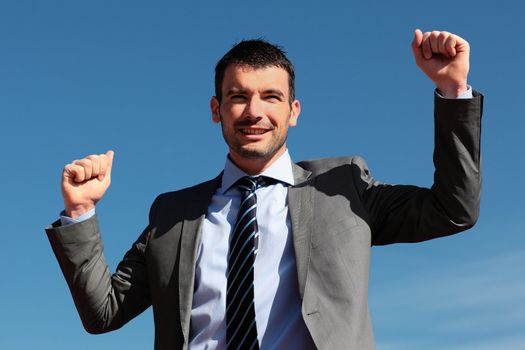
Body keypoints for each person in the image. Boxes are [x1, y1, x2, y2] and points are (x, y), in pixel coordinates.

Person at [46, 29, 483, 350]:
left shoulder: (345, 186)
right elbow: (104, 312)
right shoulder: (173, 214)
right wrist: (80, 213)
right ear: (217, 110)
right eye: (238, 97)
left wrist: (451, 90)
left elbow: (453, 210)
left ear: (293, 111)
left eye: (270, 97)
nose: (253, 112)